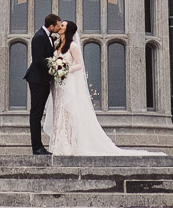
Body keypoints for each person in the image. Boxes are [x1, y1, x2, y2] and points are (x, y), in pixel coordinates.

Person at [46, 19, 159, 156]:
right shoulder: (58, 44)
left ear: (68, 30)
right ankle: (59, 144)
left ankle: (69, 144)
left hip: (68, 84)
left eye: (63, 25)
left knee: (69, 114)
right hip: (59, 85)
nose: (60, 27)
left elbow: (80, 65)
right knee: (60, 113)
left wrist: (65, 69)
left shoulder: (73, 46)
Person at [24, 12, 60, 155]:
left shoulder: (47, 36)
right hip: (37, 80)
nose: (58, 28)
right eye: (57, 26)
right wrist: (56, 68)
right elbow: (39, 60)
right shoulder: (39, 37)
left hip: (43, 80)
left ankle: (39, 147)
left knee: (38, 113)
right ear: (51, 26)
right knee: (36, 114)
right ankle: (37, 148)